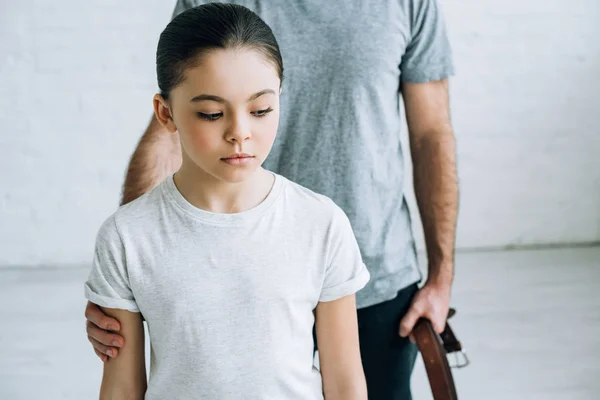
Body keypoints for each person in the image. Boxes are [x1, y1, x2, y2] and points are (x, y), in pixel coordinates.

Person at [85, 0, 459, 398]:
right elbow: (167, 132)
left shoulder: (406, 5)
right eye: (213, 114)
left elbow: (431, 134)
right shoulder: (128, 239)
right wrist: (137, 270)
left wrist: (441, 277)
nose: (240, 132)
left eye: (262, 109)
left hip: (376, 272)